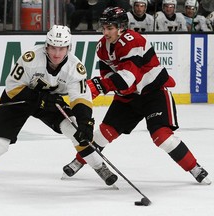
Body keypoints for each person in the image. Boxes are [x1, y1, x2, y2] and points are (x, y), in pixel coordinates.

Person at [63, 7, 211, 185]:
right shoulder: (102, 46)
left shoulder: (134, 41)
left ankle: (194, 167)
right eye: (104, 27)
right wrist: (97, 88)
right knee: (103, 134)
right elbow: (108, 75)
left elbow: (126, 78)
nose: (105, 32)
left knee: (162, 137)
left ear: (122, 27)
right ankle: (79, 161)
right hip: (128, 97)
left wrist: (99, 86)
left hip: (153, 93)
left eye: (110, 28)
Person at [0, 25, 118, 186]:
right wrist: (40, 98)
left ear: (69, 47)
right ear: (46, 45)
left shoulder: (75, 68)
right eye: (53, 47)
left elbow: (80, 98)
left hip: (50, 103)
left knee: (76, 129)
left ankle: (99, 167)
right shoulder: (31, 59)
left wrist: (85, 123)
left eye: (61, 48)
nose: (56, 53)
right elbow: (12, 88)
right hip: (19, 102)